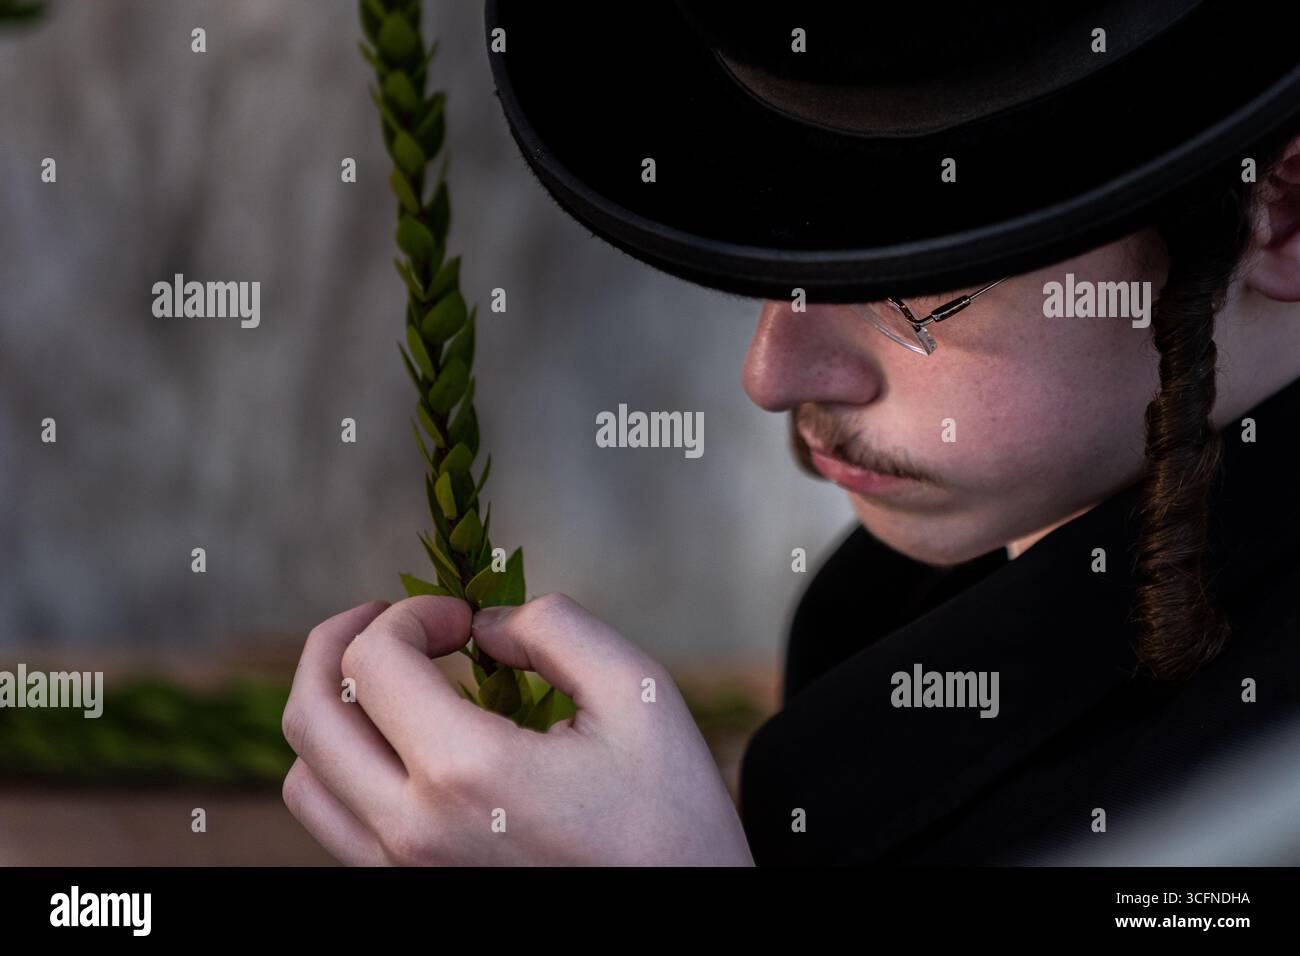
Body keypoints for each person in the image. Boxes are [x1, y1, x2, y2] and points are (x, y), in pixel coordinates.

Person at [281, 2, 1300, 864]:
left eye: (918, 282)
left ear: (1284, 216)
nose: (773, 373)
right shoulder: (890, 601)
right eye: (799, 255)